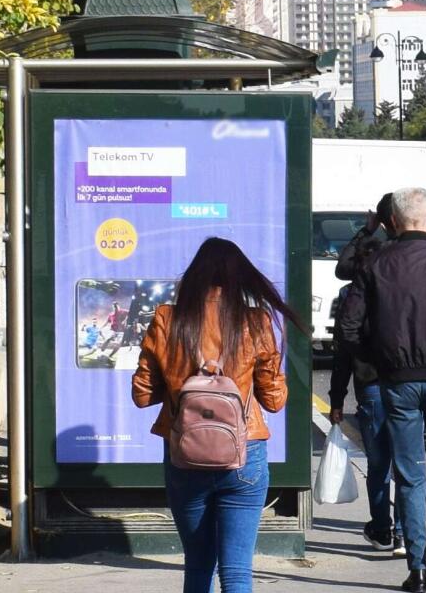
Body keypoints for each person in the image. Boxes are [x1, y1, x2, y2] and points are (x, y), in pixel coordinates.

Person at [132, 237, 304, 593]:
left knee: (197, 568)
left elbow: (142, 394)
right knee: (237, 572)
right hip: (244, 455)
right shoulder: (256, 323)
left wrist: (183, 386)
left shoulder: (167, 319)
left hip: (185, 456)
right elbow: (274, 401)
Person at [337, 187, 426, 592]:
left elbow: (347, 326)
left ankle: (418, 568)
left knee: (410, 474)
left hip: (396, 381)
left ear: (393, 222)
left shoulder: (376, 262)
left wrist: (378, 357)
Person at [329, 192, 406, 555]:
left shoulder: (353, 296)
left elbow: (343, 350)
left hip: (372, 385)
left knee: (379, 465)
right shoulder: (403, 278)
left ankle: (383, 528)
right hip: (408, 380)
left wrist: (365, 230)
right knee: (408, 462)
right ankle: (407, 531)